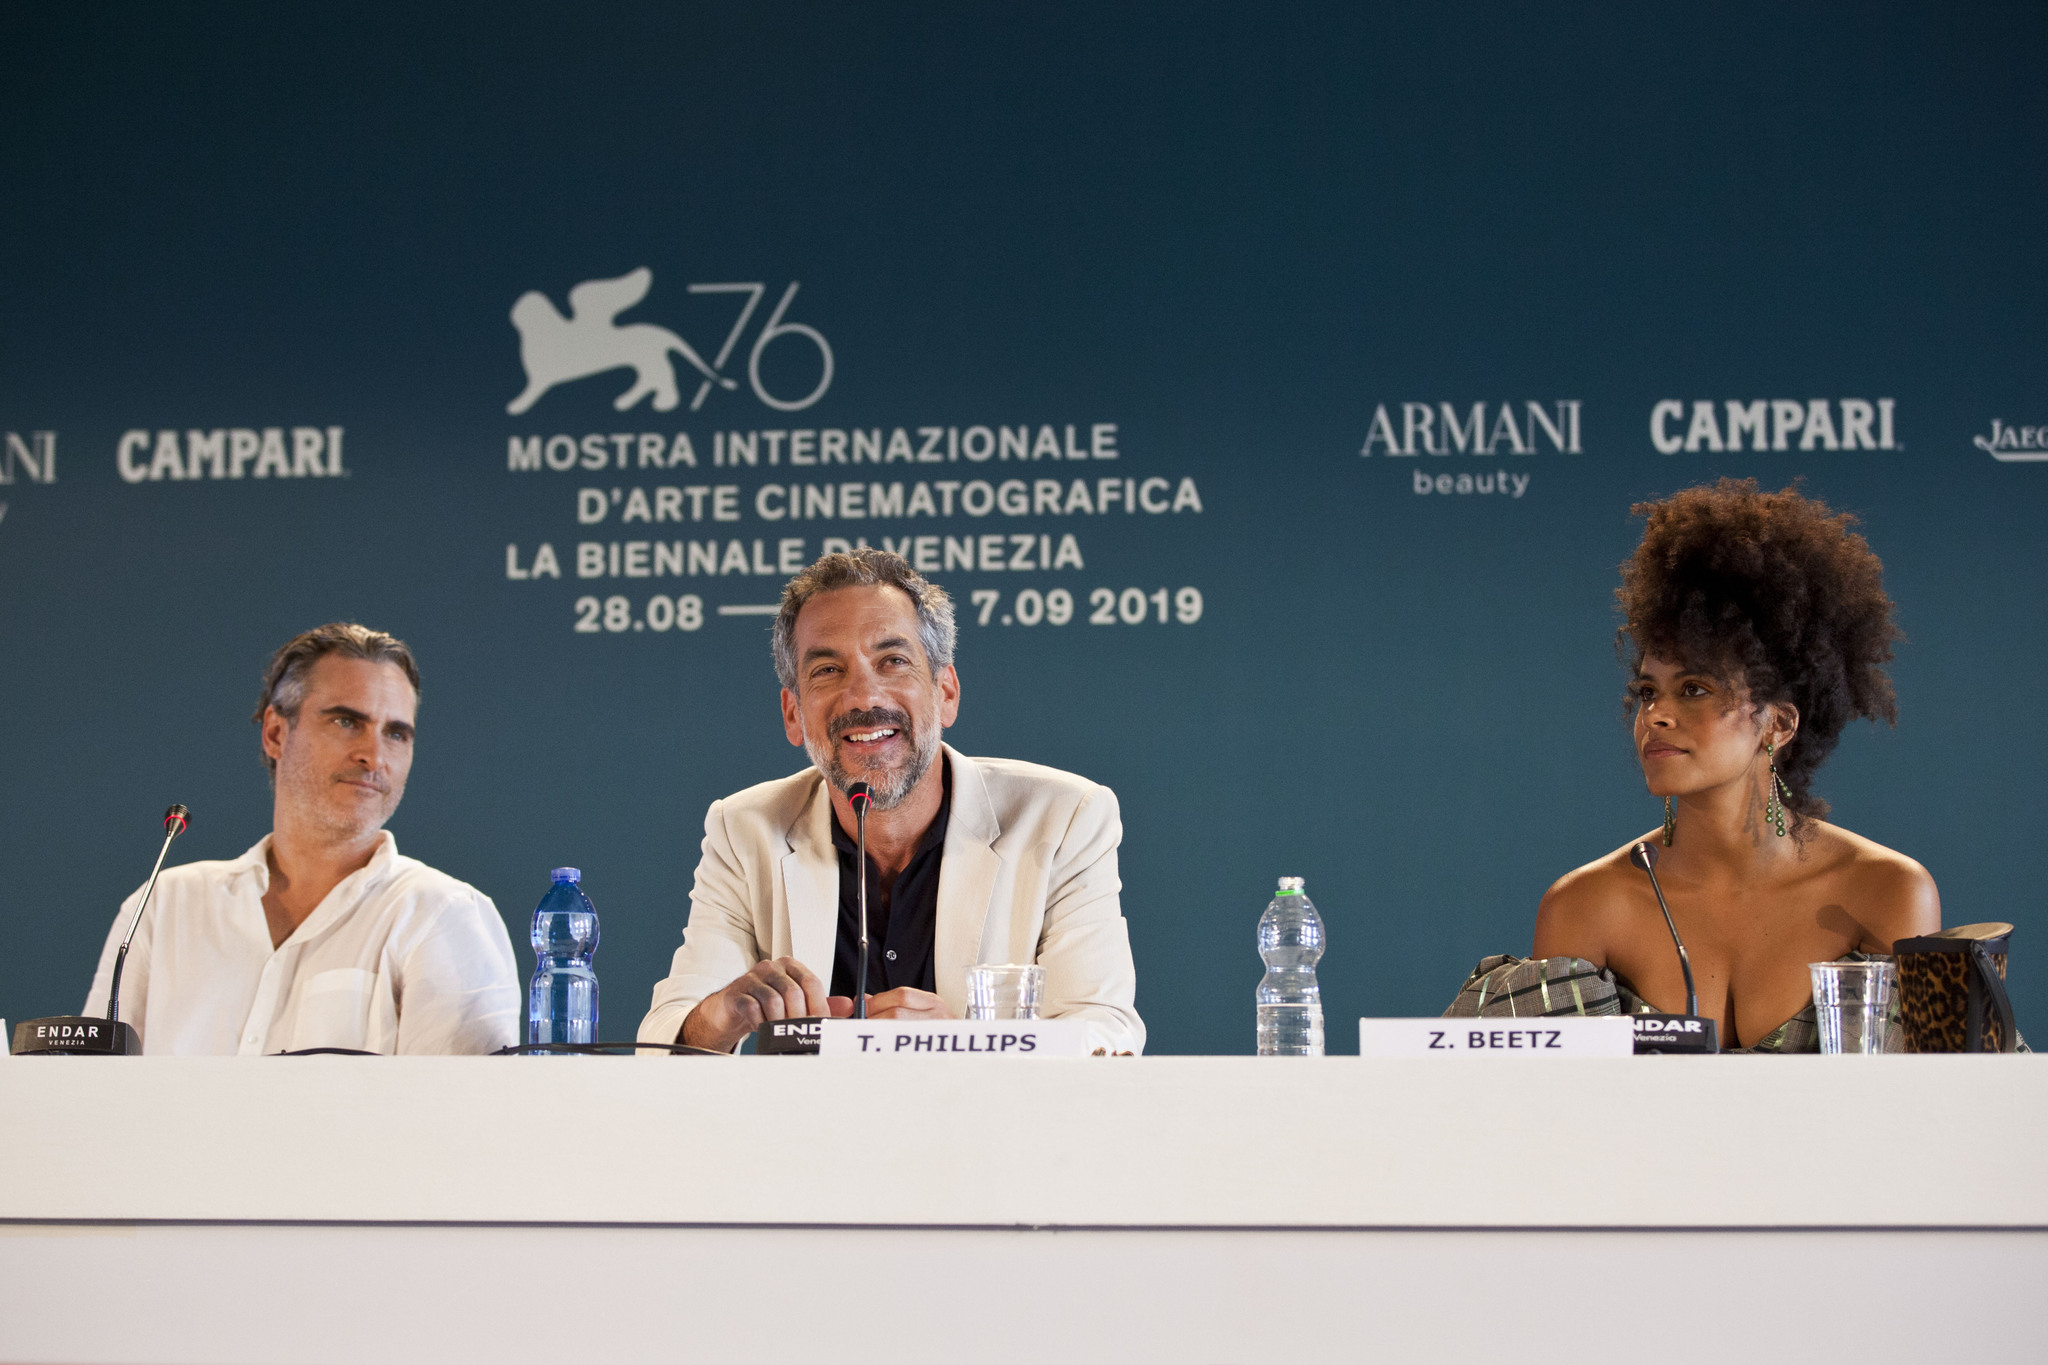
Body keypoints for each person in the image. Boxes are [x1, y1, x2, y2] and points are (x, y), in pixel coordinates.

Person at [1461, 479, 1938, 1052]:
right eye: (1646, 692)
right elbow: (1547, 1117)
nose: (1656, 716)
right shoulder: (1586, 905)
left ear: (1780, 724)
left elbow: (1935, 1105)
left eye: (1693, 689)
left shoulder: (1887, 892)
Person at [639, 548, 1144, 1055]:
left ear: (945, 692)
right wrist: (722, 1015)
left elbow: (1105, 1032)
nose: (862, 698)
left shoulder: (1063, 818)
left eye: (893, 662)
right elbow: (665, 1038)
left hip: (992, 1129)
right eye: (827, 670)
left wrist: (961, 1046)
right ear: (793, 714)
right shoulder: (744, 828)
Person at [83, 623, 520, 1054]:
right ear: (276, 733)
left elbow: (463, 1115)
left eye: (396, 733)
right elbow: (89, 1094)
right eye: (347, 721)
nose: (374, 755)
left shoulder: (443, 915)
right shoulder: (164, 906)